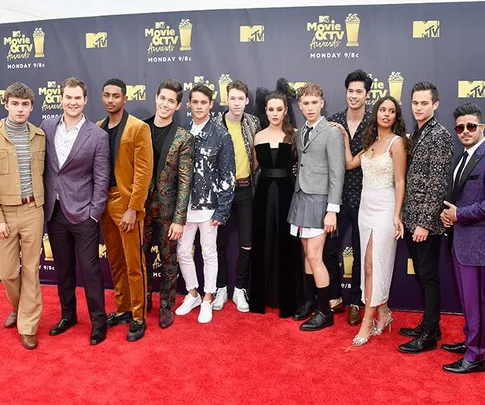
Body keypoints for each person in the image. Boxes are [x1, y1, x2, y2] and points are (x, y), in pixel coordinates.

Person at [334, 96, 407, 345]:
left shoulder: (396, 143)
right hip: (365, 207)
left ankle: (368, 320)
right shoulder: (371, 143)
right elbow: (349, 163)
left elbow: (400, 181)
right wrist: (345, 138)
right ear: (376, 114)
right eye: (382, 110)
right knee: (367, 264)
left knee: (374, 264)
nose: (386, 114)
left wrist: (397, 214)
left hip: (385, 209)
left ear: (396, 117)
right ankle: (384, 312)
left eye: (391, 111)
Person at [42, 77, 110, 345]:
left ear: (85, 100)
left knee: (90, 270)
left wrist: (94, 213)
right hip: (54, 211)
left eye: (77, 98)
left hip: (84, 214)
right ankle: (68, 315)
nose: (72, 102)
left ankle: (98, 322)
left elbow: (102, 178)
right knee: (63, 269)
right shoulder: (46, 127)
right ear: (60, 99)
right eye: (67, 97)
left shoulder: (98, 135)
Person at [398, 82, 453, 354]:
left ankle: (430, 334)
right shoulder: (417, 133)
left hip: (426, 224)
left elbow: (438, 184)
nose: (419, 108)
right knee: (422, 275)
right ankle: (430, 324)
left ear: (435, 104)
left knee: (429, 277)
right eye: (415, 103)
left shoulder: (439, 136)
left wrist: (423, 222)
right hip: (411, 219)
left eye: (424, 103)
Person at [97, 78, 153, 342]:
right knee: (115, 260)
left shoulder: (138, 128)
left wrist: (133, 208)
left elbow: (143, 173)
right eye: (107, 95)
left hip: (127, 202)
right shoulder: (98, 128)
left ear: (125, 98)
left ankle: (138, 316)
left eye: (116, 95)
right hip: (104, 203)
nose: (111, 100)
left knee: (134, 263)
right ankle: (122, 308)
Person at [176, 84, 235, 323]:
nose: (199, 106)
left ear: (211, 105)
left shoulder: (221, 134)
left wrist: (222, 209)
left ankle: (208, 298)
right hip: (183, 206)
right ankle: (193, 293)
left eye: (204, 102)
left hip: (210, 205)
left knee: (209, 253)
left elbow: (227, 175)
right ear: (189, 104)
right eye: (195, 102)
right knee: (182, 251)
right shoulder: (181, 131)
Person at [288, 83, 345, 331]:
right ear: (300, 106)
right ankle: (310, 301)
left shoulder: (331, 132)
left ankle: (325, 311)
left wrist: (332, 209)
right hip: (301, 198)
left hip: (321, 201)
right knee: (306, 256)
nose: (310, 107)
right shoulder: (301, 132)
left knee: (315, 256)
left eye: (314, 102)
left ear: (321, 103)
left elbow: (337, 173)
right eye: (305, 103)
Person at [143, 79, 194, 329]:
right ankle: (143, 302)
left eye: (171, 101)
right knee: (139, 259)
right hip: (139, 209)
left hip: (167, 212)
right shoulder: (139, 129)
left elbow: (186, 181)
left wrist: (179, 219)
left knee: (168, 261)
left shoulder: (183, 137)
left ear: (178, 105)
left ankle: (166, 306)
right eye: (162, 98)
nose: (165, 104)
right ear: (156, 98)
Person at [249, 91, 304, 318]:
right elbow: (252, 167)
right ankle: (260, 299)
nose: (274, 113)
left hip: (287, 192)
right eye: (270, 109)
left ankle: (288, 300)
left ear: (285, 111)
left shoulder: (295, 135)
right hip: (262, 193)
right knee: (262, 242)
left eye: (279, 109)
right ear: (266, 111)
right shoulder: (258, 136)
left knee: (286, 244)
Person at [324, 69, 372, 324]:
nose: (354, 96)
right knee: (329, 249)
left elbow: (352, 164)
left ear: (367, 94)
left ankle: (356, 301)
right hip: (337, 198)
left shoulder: (375, 124)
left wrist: (343, 137)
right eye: (350, 91)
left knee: (362, 254)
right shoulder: (333, 120)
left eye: (359, 92)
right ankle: (334, 297)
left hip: (366, 198)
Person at [440, 103, 485, 373]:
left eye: (471, 126)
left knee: (477, 301)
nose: (465, 131)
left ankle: (476, 354)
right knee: (469, 301)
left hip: (479, 243)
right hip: (460, 242)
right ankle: (473, 341)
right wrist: (448, 216)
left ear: (481, 127)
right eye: (460, 127)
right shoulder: (462, 157)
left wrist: (460, 215)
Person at [0, 82, 44, 350]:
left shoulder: (39, 136)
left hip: (33, 211)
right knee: (7, 273)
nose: (20, 109)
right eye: (15, 103)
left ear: (31, 107)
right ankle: (19, 308)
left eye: (25, 104)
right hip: (5, 213)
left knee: (31, 270)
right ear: (6, 104)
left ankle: (27, 325)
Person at [214, 80, 261, 312]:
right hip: (220, 192)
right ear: (226, 99)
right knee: (218, 242)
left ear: (247, 100)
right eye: (232, 98)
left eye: (240, 99)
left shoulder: (254, 123)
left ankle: (240, 289)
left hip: (244, 189)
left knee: (247, 243)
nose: (236, 103)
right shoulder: (214, 124)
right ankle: (221, 287)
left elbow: (258, 154)